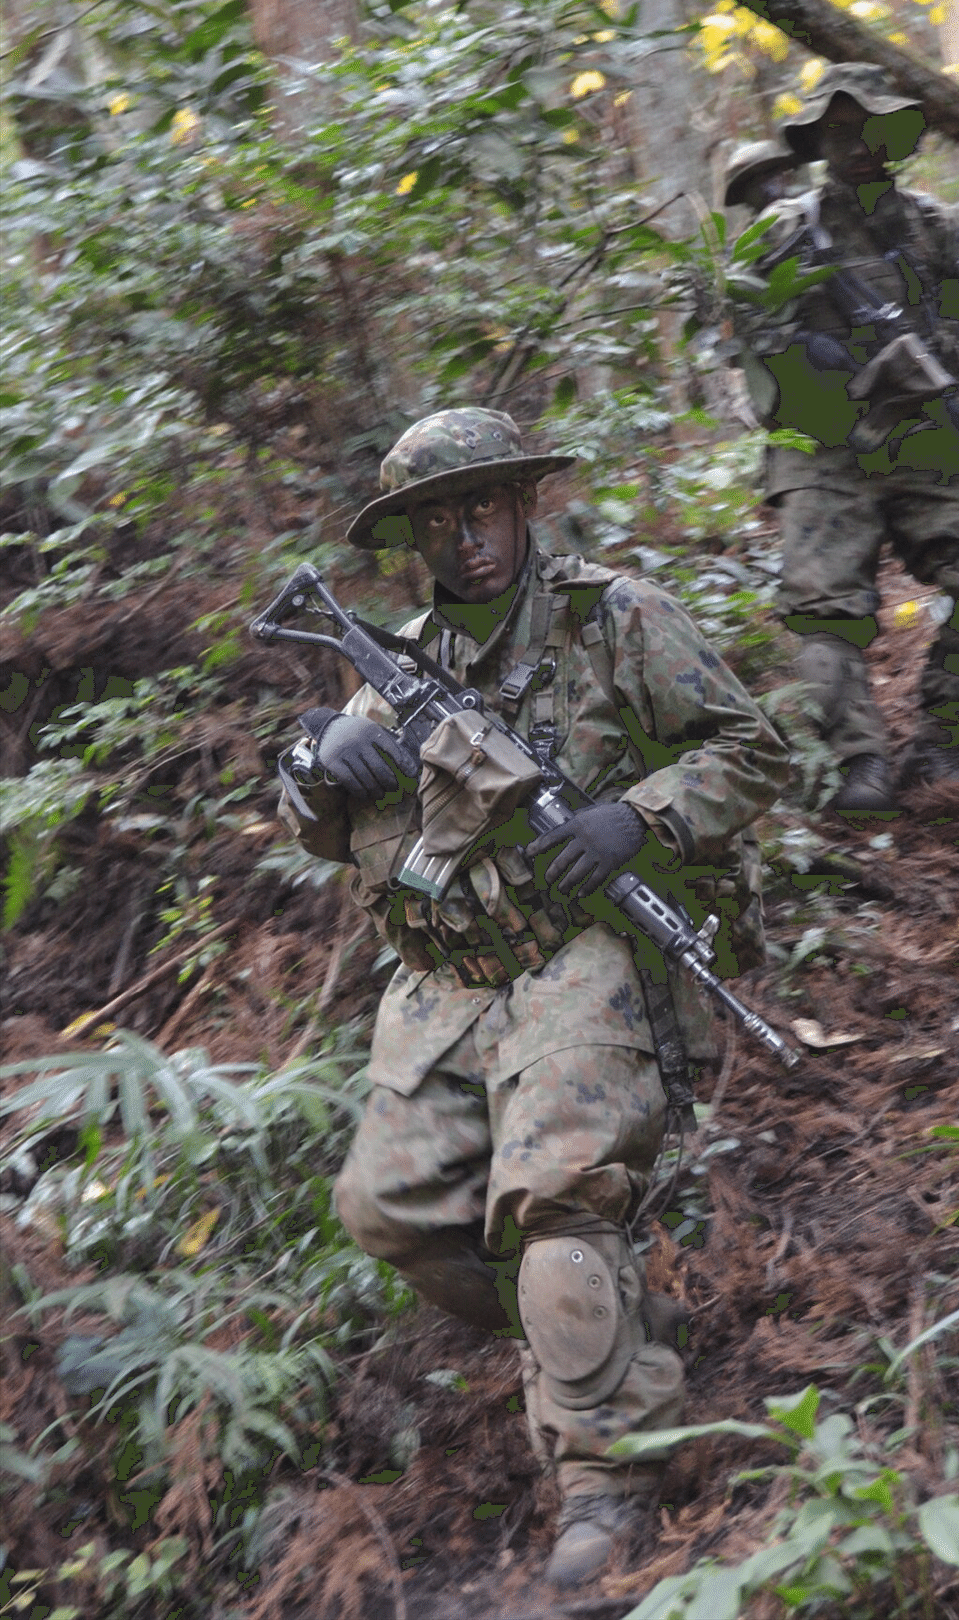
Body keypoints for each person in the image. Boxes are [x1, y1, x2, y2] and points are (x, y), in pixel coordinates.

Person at [273, 407, 788, 1588]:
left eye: (486, 509)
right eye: (441, 519)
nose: (469, 540)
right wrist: (313, 762)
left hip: (587, 956)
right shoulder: (397, 659)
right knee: (387, 1210)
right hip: (451, 981)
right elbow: (322, 824)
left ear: (525, 507)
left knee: (554, 1216)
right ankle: (606, 1333)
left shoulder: (616, 620)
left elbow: (753, 750)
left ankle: (603, 1479)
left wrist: (637, 818)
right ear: (414, 537)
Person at [730, 63, 959, 811]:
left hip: (927, 440)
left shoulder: (930, 225)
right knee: (824, 613)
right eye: (839, 129)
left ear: (895, 137)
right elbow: (745, 335)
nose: (856, 142)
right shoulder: (784, 232)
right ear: (819, 140)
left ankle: (942, 742)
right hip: (827, 452)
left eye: (870, 128)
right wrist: (810, 368)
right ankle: (858, 761)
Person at [722, 138, 799, 218]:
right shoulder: (754, 229)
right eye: (752, 181)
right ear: (743, 195)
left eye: (770, 173)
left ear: (784, 177)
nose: (766, 187)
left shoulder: (808, 210)